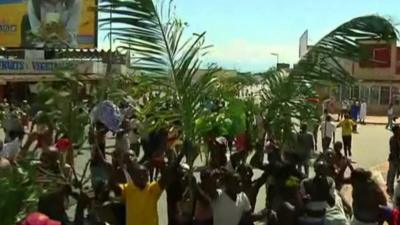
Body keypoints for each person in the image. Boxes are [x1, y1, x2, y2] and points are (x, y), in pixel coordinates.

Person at [119, 160, 166, 225]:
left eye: (145, 174)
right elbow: (114, 186)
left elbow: (164, 180)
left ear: (148, 176)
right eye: (138, 174)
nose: (142, 177)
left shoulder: (152, 189)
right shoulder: (127, 188)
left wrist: (162, 167)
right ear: (133, 177)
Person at [299, 159, 336, 225]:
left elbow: (332, 204)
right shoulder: (305, 183)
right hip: (307, 218)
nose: (321, 172)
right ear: (315, 170)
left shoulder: (330, 183)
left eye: (323, 170)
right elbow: (300, 203)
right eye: (319, 170)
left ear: (327, 171)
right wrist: (305, 199)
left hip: (321, 218)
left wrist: (324, 190)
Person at [387, 125, 400, 196]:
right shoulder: (393, 139)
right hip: (394, 160)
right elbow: (394, 151)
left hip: (397, 160)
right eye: (398, 130)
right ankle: (390, 189)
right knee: (391, 175)